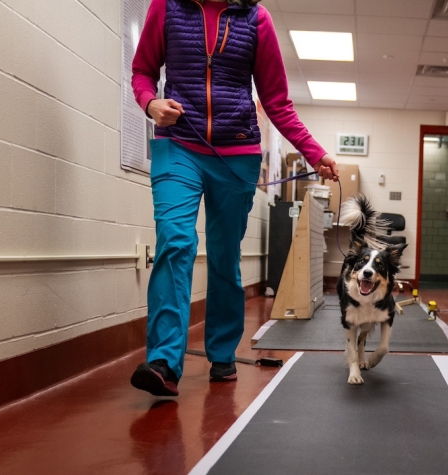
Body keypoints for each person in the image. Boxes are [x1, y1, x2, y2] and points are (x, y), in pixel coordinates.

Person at [129, 0, 338, 396]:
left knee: (225, 256)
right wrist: (150, 103)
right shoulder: (167, 6)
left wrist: (315, 153)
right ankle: (164, 362)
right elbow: (142, 70)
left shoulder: (257, 19)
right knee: (175, 242)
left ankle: (222, 354)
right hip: (178, 146)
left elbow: (276, 101)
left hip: (236, 155)